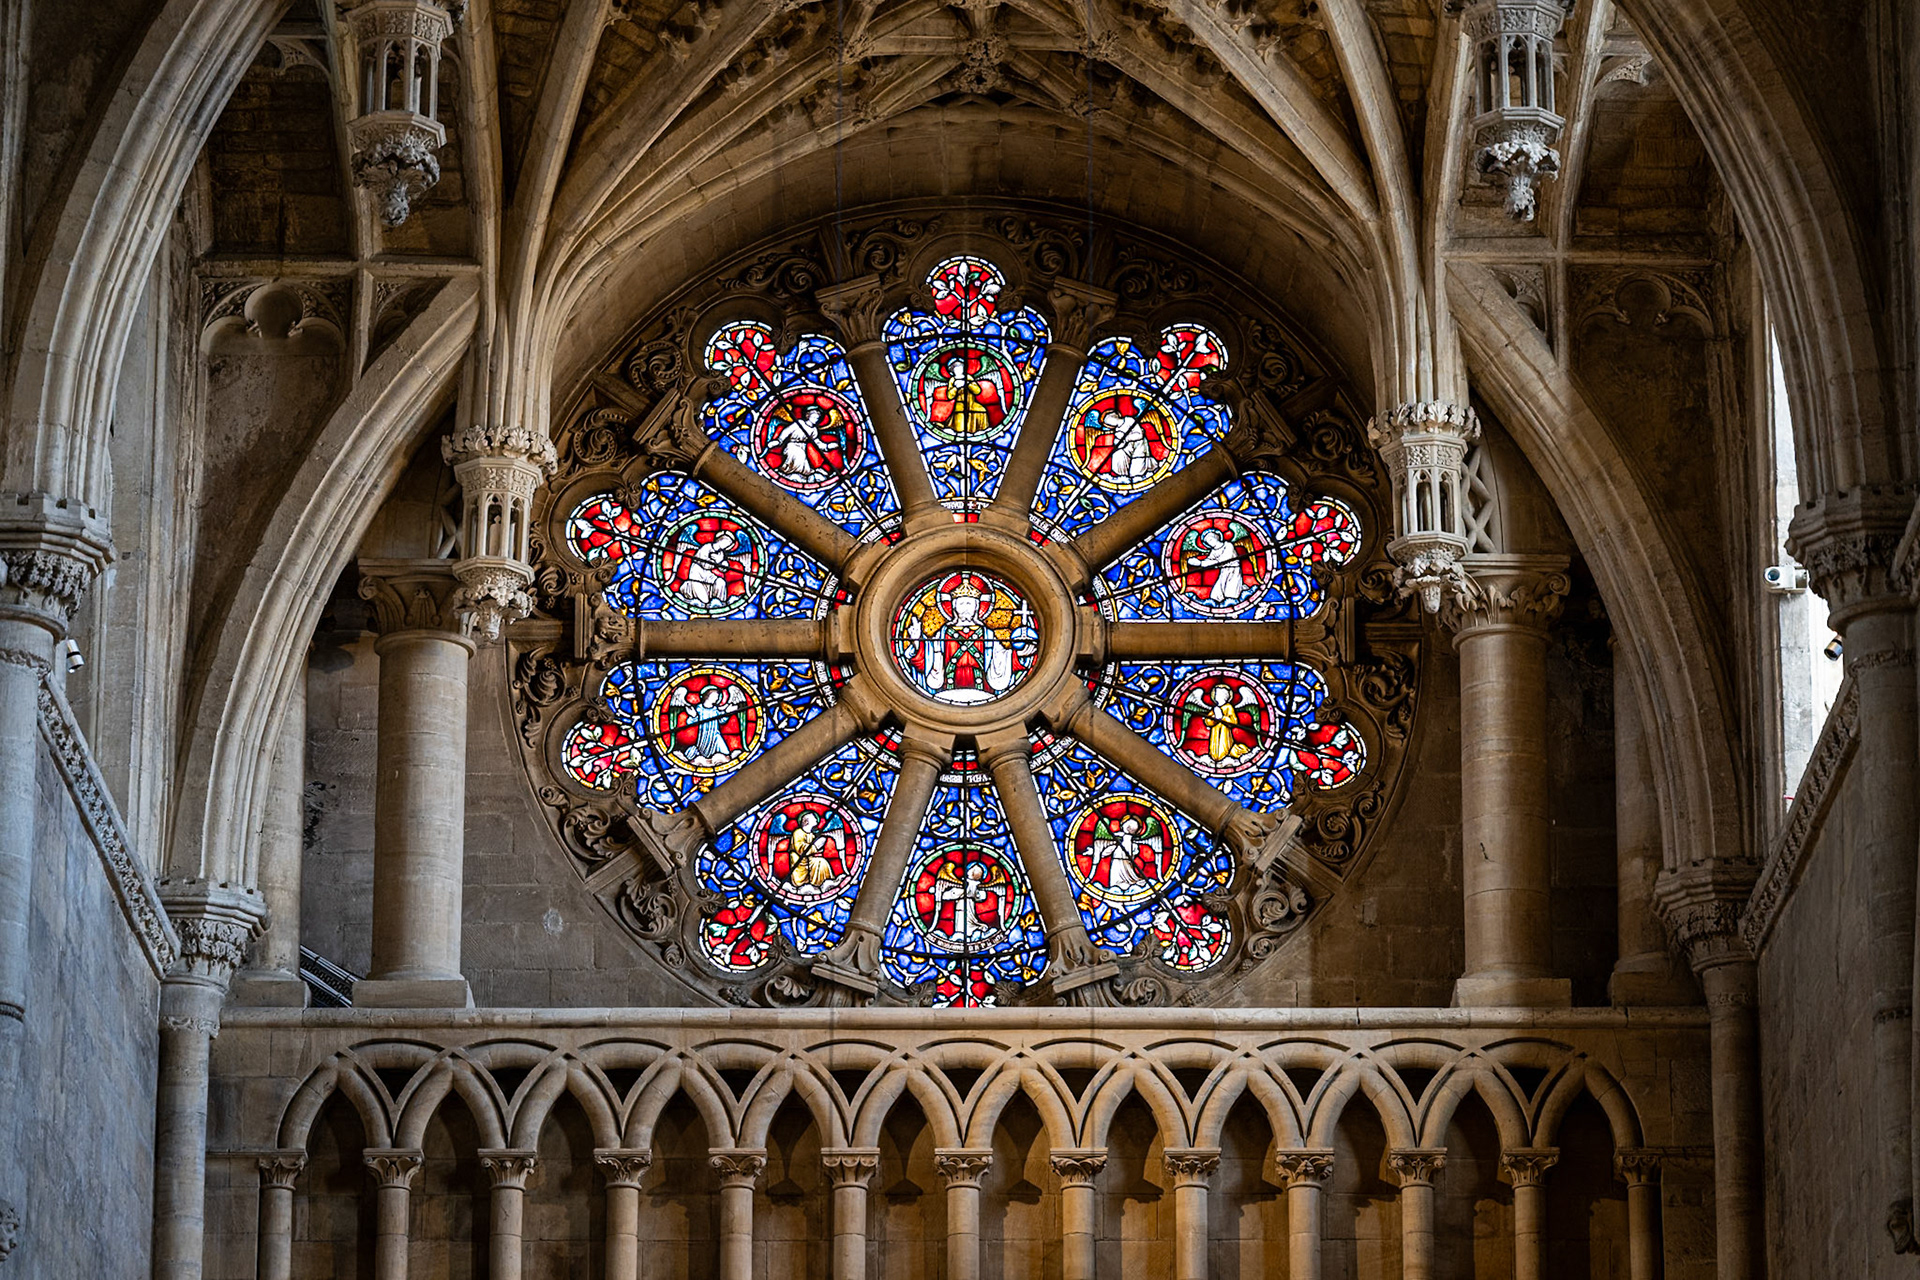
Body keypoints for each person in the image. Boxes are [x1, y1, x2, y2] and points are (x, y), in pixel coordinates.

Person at [669, 681, 746, 767]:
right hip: (704, 735)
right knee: (700, 754)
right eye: (715, 696)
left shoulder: (715, 709)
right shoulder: (699, 709)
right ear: (708, 696)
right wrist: (694, 716)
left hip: (716, 735)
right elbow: (690, 722)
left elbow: (722, 720)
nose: (717, 698)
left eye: (717, 696)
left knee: (725, 753)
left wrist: (728, 713)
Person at [769, 403, 835, 482]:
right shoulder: (800, 423)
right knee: (799, 456)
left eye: (817, 418)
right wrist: (779, 441)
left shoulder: (814, 430)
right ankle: (789, 473)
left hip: (802, 447)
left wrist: (827, 446)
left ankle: (801, 476)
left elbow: (817, 442)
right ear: (808, 416)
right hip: (792, 446)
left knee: (803, 463)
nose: (816, 419)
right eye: (814, 417)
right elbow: (787, 431)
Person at [1186, 525, 1247, 605]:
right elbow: (1208, 561)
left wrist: (1201, 563)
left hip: (1233, 571)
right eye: (1207, 542)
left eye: (1210, 539)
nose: (1210, 543)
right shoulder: (1213, 551)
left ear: (1216, 537)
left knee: (1231, 595)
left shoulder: (1228, 545)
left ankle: (1243, 589)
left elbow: (1224, 560)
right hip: (1223, 572)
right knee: (1215, 596)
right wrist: (1196, 562)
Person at [1101, 403, 1157, 482]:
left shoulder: (1129, 420)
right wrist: (1120, 442)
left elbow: (1139, 435)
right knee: (1117, 454)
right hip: (1128, 449)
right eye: (1108, 421)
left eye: (1110, 417)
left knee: (1136, 474)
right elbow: (1119, 444)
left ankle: (1149, 464)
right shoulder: (1117, 430)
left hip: (1139, 447)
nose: (1111, 420)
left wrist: (1125, 438)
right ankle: (1122, 476)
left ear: (1116, 415)